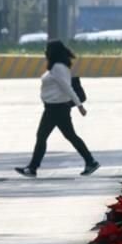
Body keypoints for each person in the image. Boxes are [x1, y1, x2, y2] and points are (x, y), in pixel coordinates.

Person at [15, 40, 100, 178]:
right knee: (69, 136)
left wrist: (79, 105)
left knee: (42, 136)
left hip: (56, 109)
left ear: (53, 51)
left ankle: (32, 168)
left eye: (47, 49)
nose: (45, 52)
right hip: (54, 108)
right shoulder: (56, 67)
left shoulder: (58, 68)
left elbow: (67, 87)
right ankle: (90, 161)